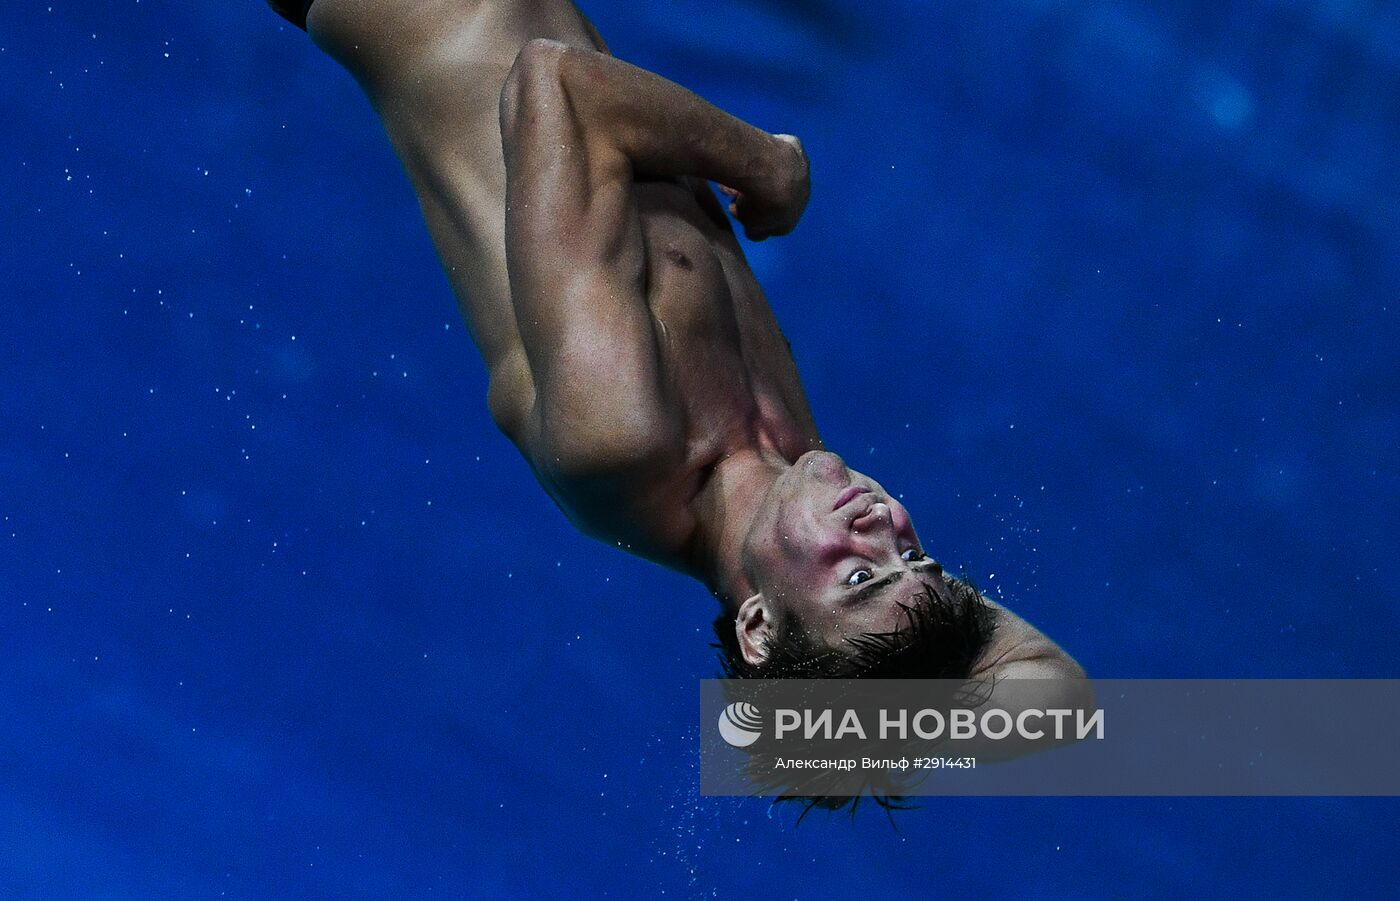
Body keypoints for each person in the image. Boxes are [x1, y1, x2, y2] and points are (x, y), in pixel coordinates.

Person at [265, 0, 1087, 698]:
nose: (883, 526)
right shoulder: (790, 460)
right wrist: (867, 688)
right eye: (918, 555)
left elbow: (556, 84)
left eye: (861, 574)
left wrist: (768, 165)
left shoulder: (622, 437)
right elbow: (1060, 694)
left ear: (759, 625)